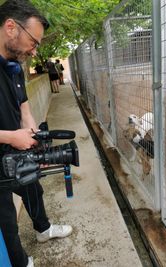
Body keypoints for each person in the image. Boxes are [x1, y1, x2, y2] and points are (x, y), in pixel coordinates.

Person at [0, 1, 73, 267]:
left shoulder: (14, 67)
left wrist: (29, 132)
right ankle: (20, 263)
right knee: (7, 223)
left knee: (33, 188)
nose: (34, 49)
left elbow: (24, 107)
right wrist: (10, 137)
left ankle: (43, 231)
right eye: (33, 41)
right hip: (5, 148)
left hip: (14, 152)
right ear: (11, 27)